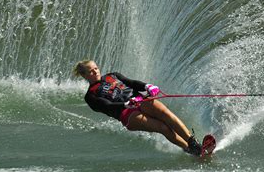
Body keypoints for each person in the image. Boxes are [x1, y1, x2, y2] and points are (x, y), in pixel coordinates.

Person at [73, 60, 203, 156]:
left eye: (96, 68)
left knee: (166, 115)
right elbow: (107, 106)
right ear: (84, 75)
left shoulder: (113, 76)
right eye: (91, 71)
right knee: (162, 127)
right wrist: (126, 104)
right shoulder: (90, 96)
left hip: (139, 100)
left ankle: (193, 142)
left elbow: (132, 83)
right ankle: (189, 149)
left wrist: (147, 86)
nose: (95, 71)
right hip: (126, 113)